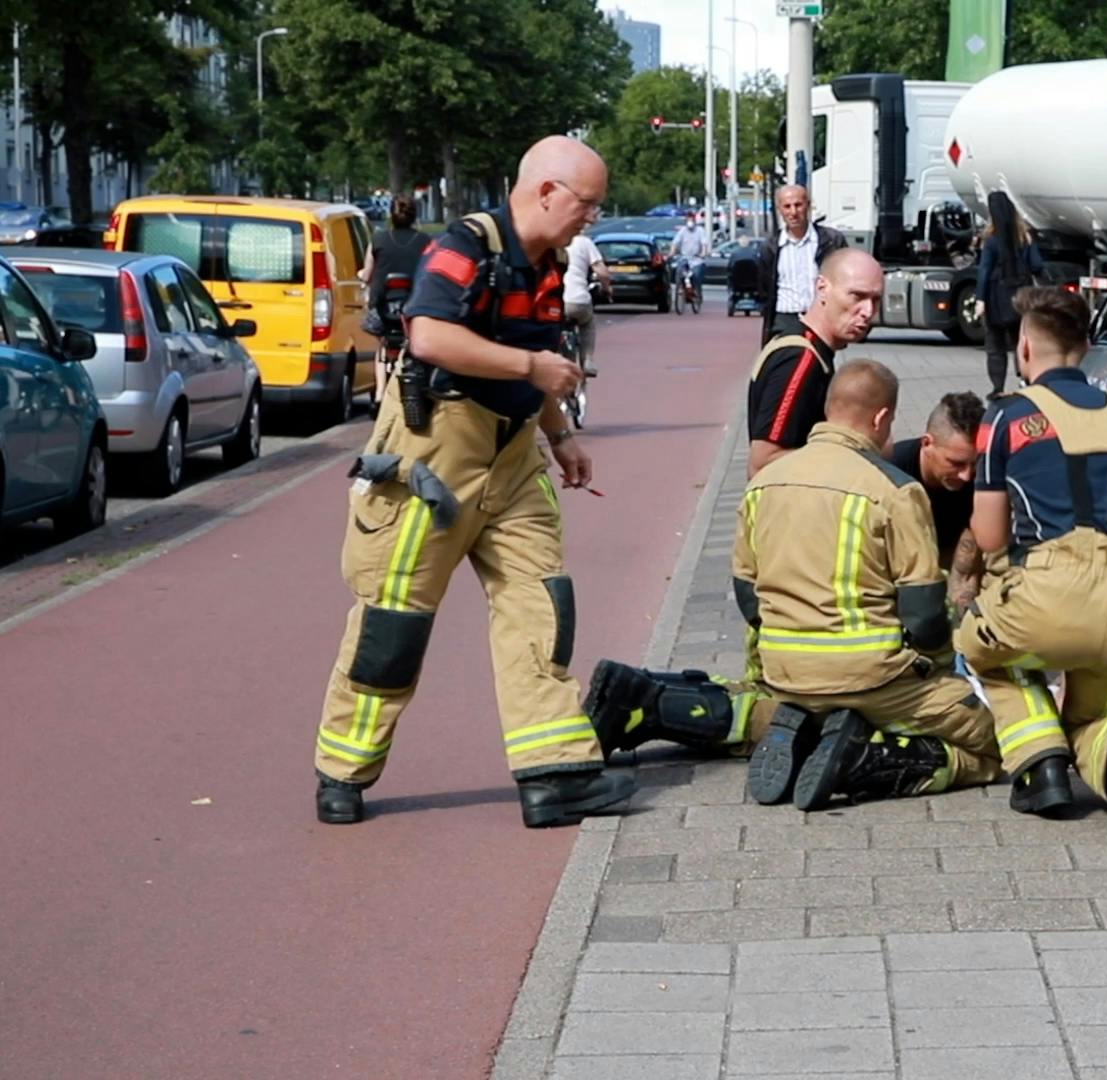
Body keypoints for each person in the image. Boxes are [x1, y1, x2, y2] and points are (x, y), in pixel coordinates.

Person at [311, 136, 635, 829]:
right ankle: (343, 770)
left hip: (513, 454)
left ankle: (554, 774)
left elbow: (541, 355)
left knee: (539, 608)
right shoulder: (466, 243)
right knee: (394, 621)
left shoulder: (547, 264)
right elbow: (428, 336)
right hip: (435, 451)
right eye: (587, 204)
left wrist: (560, 434)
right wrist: (531, 374)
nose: (591, 220)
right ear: (547, 191)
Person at [584, 361, 1001, 811]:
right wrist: (937, 671)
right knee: (1003, 741)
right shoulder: (896, 490)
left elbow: (748, 594)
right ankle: (867, 759)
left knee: (774, 711)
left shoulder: (763, 482)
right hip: (874, 675)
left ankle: (662, 702)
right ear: (882, 419)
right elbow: (922, 612)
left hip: (785, 669)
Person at [957, 286, 1107, 843]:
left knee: (978, 647)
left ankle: (1040, 765)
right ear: (1086, 347)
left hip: (1047, 607)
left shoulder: (1006, 418)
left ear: (1025, 347)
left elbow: (988, 536)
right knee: (1102, 706)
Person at [745, 247, 883, 479]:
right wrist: (854, 457)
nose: (868, 311)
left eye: (876, 299)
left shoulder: (807, 348)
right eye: (857, 296)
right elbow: (762, 462)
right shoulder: (800, 358)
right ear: (822, 288)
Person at [886, 392, 987, 610]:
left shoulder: (980, 479)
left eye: (974, 462)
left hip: (945, 556)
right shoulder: (890, 472)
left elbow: (966, 572)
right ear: (927, 443)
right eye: (955, 463)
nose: (966, 475)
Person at [361, 196, 431, 401]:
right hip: (413, 311)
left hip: (382, 312)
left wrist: (363, 277)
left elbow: (367, 274)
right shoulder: (425, 241)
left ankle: (380, 393)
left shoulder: (378, 239)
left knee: (381, 345)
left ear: (391, 215)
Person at [758, 184, 847, 344]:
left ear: (808, 205)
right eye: (787, 206)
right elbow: (764, 287)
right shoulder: (771, 246)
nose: (793, 212)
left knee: (818, 367)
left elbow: (843, 281)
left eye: (798, 205)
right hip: (784, 320)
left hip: (818, 319)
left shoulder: (831, 240)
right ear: (780, 209)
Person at [975, 191, 1043, 399]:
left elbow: (984, 271)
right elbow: (1037, 265)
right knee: (1019, 341)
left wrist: (980, 299)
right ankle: (1025, 380)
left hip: (996, 298)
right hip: (1021, 297)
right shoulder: (1025, 237)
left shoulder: (992, 241)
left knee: (995, 345)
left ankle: (998, 387)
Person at [562, 232, 611, 376]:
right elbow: (602, 273)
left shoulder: (551, 241)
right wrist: (607, 288)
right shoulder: (584, 242)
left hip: (557, 300)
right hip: (578, 299)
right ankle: (587, 360)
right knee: (587, 324)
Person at [670, 214, 708, 301]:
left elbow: (704, 243)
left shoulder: (700, 231)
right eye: (688, 220)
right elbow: (675, 242)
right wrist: (672, 252)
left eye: (691, 220)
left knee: (696, 274)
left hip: (697, 259)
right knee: (679, 270)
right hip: (685, 257)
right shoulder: (682, 231)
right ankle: (681, 287)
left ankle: (696, 291)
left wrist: (703, 253)